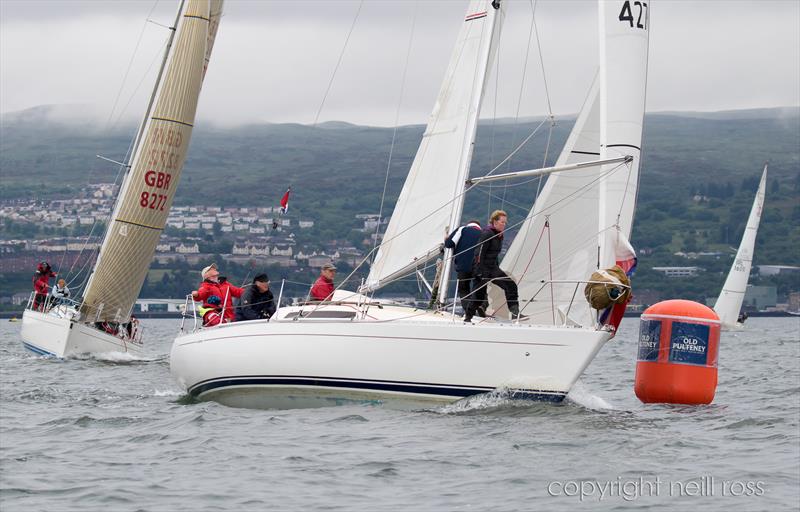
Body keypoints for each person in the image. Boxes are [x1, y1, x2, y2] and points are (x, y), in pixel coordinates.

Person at [468, 210, 521, 322]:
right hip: (482, 269)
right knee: (478, 296)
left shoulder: (498, 235)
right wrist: (478, 271)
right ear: (495, 222)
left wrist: (496, 267)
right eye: (502, 222)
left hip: (493, 268)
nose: (504, 225)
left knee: (511, 285)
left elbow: (494, 254)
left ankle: (515, 312)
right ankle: (468, 318)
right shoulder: (487, 233)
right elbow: (479, 252)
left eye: (505, 222)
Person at [444, 220, 486, 318]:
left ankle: (468, 311)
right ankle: (482, 306)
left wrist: (446, 238)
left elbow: (449, 244)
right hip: (479, 267)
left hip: (463, 266)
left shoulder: (462, 229)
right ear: (478, 226)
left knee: (464, 289)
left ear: (469, 224)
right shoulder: (484, 233)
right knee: (480, 288)